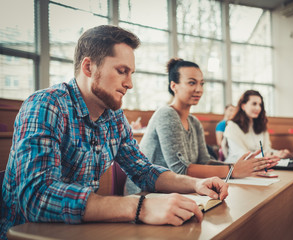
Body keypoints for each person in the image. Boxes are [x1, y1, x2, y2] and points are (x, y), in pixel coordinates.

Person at [0, 25, 230, 239]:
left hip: (81, 230)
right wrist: (139, 207)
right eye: (122, 71)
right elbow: (36, 197)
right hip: (26, 233)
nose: (130, 84)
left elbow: (144, 171)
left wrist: (195, 184)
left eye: (131, 73)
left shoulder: (114, 116)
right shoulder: (45, 105)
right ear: (89, 67)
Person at [125, 59, 278, 195]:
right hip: (144, 193)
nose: (199, 89)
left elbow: (205, 161)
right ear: (174, 86)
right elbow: (179, 169)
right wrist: (233, 171)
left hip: (176, 190)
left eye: (201, 83)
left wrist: (242, 168)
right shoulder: (166, 114)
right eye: (192, 82)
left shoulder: (194, 122)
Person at [222, 90, 292, 163]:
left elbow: (267, 150)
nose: (258, 108)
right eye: (254, 104)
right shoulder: (232, 126)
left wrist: (280, 153)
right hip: (236, 167)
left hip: (260, 165)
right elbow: (241, 156)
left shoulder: (261, 126)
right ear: (243, 106)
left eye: (260, 105)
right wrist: (270, 155)